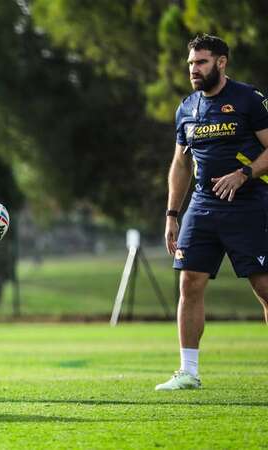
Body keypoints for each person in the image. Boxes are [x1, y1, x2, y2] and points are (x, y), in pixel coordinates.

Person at [160, 34, 268, 391]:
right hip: (202, 206)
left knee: (264, 286)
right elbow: (180, 164)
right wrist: (172, 214)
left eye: (201, 62)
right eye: (191, 63)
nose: (194, 69)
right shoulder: (186, 108)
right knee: (188, 282)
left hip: (249, 204)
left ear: (221, 62)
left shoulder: (248, 99)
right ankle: (188, 371)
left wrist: (245, 173)